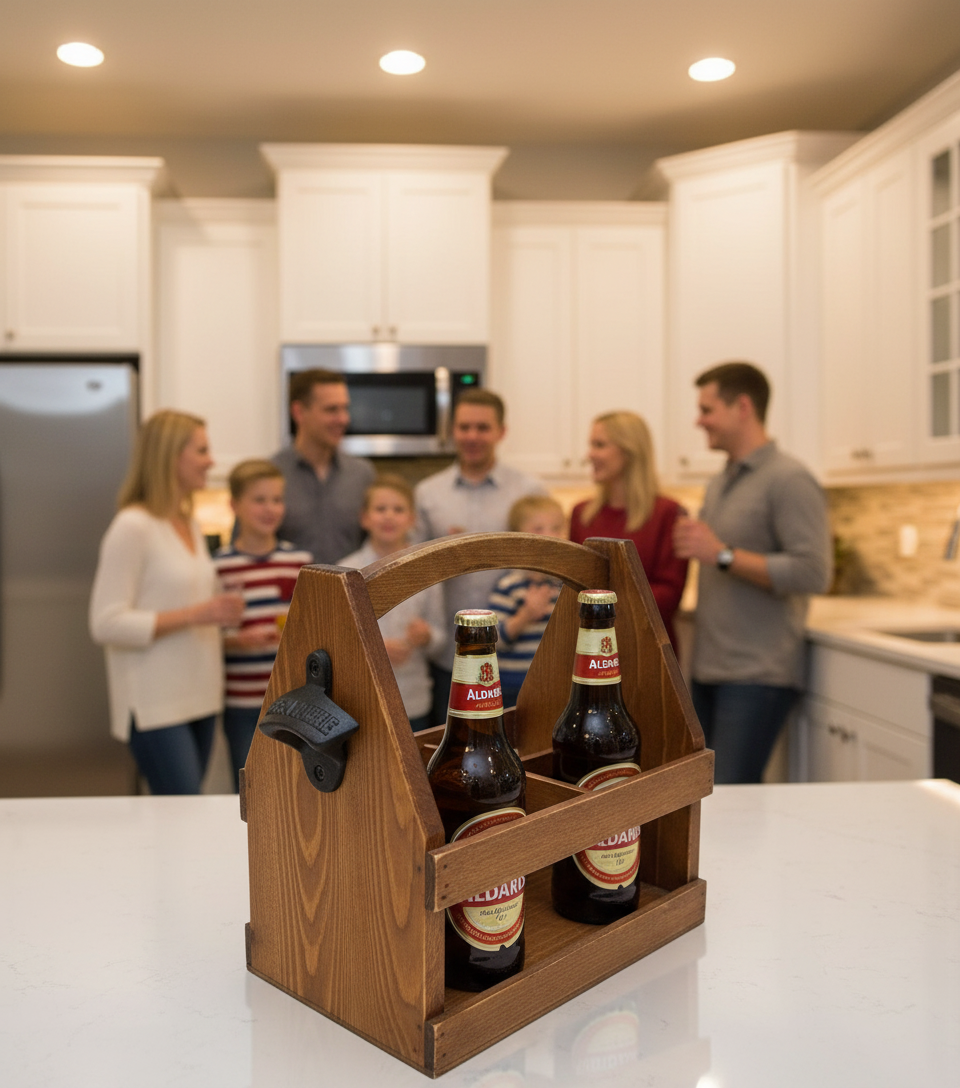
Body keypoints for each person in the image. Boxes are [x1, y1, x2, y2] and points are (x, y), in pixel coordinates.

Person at [672, 362, 833, 785]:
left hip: (757, 675)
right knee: (709, 799)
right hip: (710, 669)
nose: (699, 420)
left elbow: (814, 571)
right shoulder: (721, 481)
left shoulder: (790, 479)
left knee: (730, 800)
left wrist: (721, 554)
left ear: (742, 406)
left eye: (707, 409)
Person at [89, 410, 245, 795]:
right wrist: (199, 613)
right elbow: (105, 622)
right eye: (202, 450)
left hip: (202, 695)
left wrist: (224, 625)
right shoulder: (133, 526)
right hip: (154, 703)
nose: (211, 460)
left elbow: (184, 605)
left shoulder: (188, 523)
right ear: (170, 455)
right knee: (180, 813)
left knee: (185, 817)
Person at [415, 389, 548, 723]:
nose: (472, 436)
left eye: (482, 427)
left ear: (501, 432)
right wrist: (440, 556)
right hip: (450, 655)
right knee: (450, 757)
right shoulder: (428, 494)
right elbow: (414, 574)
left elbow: (547, 564)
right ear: (452, 431)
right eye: (464, 427)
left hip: (518, 661)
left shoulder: (530, 492)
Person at [213, 460, 312, 790]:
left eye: (277, 499)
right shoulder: (220, 566)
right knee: (248, 785)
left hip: (292, 698)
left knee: (292, 786)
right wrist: (237, 642)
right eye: (259, 500)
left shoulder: (299, 562)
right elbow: (209, 637)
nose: (270, 509)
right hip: (241, 700)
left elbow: (312, 627)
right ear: (234, 505)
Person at [569, 411, 688, 652]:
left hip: (649, 649)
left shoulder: (668, 513)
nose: (589, 454)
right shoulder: (581, 514)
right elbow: (571, 588)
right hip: (590, 649)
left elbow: (669, 596)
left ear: (630, 451)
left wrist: (601, 604)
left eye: (599, 445)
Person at [338, 475, 444, 732]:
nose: (389, 516)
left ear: (412, 519)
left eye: (398, 510)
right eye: (380, 509)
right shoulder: (345, 569)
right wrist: (375, 646)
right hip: (360, 701)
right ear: (364, 518)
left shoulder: (425, 569)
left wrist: (427, 635)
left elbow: (441, 637)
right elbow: (337, 638)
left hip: (413, 699)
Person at [272, 368, 375, 562]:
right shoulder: (271, 474)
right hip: (292, 592)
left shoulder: (362, 474)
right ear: (299, 412)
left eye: (345, 408)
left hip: (351, 591)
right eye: (331, 410)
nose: (344, 419)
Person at [488, 495, 566, 707]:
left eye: (556, 528)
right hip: (511, 686)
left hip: (553, 683)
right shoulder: (508, 586)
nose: (549, 536)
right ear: (517, 538)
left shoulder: (563, 586)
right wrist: (526, 615)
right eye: (538, 529)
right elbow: (493, 639)